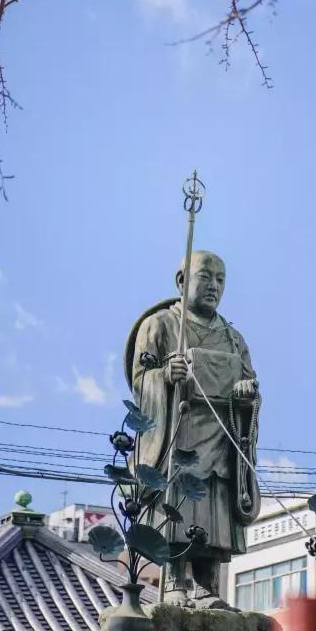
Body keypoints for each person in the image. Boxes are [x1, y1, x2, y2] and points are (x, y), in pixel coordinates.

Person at [124, 251, 260, 606]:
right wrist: (165, 376)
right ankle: (175, 579)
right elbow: (141, 381)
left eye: (220, 279)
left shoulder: (234, 339)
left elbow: (250, 385)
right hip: (178, 427)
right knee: (180, 500)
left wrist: (247, 395)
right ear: (182, 281)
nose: (214, 285)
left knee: (215, 503)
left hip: (221, 434)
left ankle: (207, 582)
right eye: (205, 277)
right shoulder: (161, 326)